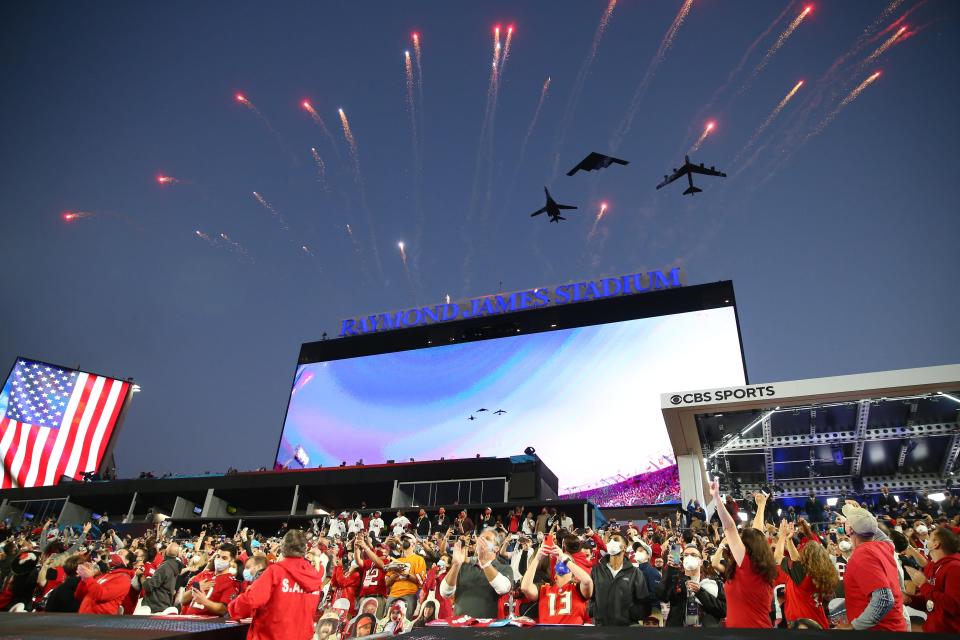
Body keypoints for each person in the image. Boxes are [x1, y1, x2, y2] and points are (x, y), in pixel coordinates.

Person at [228, 529, 324, 640]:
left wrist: (233, 609)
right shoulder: (314, 575)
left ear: (283, 547)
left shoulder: (275, 572)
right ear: (304, 549)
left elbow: (250, 600)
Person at [709, 480, 777, 628]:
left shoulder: (746, 565)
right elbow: (757, 535)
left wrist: (716, 498)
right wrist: (761, 506)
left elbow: (729, 528)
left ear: (746, 546)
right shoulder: (761, 568)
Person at [840, 501, 909, 631]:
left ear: (849, 529)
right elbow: (881, 536)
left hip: (878, 631)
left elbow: (884, 599)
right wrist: (863, 517)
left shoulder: (862, 554)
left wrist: (853, 626)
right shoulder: (886, 546)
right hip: (895, 627)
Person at [773, 520, 838, 629]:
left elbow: (777, 557)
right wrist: (789, 540)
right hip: (819, 621)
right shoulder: (823, 572)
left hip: (803, 626)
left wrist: (782, 536)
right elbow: (796, 560)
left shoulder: (802, 574)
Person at [440, 530, 514, 618]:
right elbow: (444, 593)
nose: (482, 541)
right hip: (460, 627)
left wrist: (485, 563)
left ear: (496, 548)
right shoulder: (463, 566)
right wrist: (456, 565)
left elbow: (503, 589)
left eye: (487, 539)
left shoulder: (504, 568)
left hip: (490, 629)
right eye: (480, 538)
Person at [520, 537, 594, 624]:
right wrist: (537, 558)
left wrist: (564, 558)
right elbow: (525, 588)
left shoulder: (577, 588)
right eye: (559, 561)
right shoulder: (544, 588)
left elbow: (587, 581)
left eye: (566, 561)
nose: (562, 561)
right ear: (555, 569)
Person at [903, 526, 960, 632]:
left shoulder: (955, 568)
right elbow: (932, 604)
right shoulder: (932, 566)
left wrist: (924, 585)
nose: (927, 540)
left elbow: (954, 607)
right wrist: (910, 600)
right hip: (932, 629)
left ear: (936, 544)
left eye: (930, 538)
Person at [589, 530, 650, 625]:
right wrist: (594, 612)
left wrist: (629, 615)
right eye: (610, 540)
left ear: (624, 547)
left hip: (626, 629)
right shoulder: (596, 571)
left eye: (616, 540)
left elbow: (644, 602)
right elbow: (591, 597)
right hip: (601, 628)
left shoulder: (635, 573)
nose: (611, 542)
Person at [657, 544, 725, 627]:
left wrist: (700, 592)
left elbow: (723, 610)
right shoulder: (676, 579)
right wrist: (671, 570)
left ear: (701, 561)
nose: (689, 557)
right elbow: (663, 596)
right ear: (682, 560)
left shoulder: (713, 581)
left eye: (693, 555)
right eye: (685, 555)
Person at [180, 542, 240, 616]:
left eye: (224, 558)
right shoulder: (204, 574)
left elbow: (223, 610)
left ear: (232, 560)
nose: (219, 559)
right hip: (186, 620)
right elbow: (183, 600)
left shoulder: (231, 582)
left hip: (207, 625)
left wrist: (204, 601)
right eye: (218, 556)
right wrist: (195, 589)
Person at [385, 533, 425, 617]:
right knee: (387, 621)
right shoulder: (396, 560)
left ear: (414, 544)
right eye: (403, 539)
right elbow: (386, 583)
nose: (404, 540)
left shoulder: (419, 559)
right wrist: (394, 576)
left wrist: (406, 574)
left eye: (407, 538)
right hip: (393, 594)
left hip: (409, 594)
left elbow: (421, 581)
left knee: (406, 623)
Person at [141, 541, 181, 613]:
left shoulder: (165, 567)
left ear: (165, 552)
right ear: (178, 554)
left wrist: (141, 576)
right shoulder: (176, 566)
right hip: (164, 604)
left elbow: (148, 587)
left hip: (154, 607)